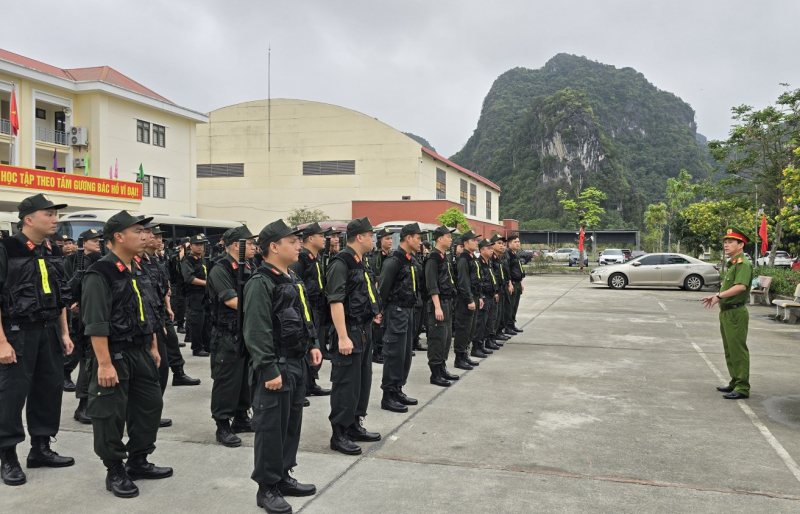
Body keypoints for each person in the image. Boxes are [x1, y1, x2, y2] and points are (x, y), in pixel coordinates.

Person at [81, 211, 172, 498]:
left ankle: (138, 460)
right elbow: (96, 323)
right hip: (115, 354)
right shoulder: (100, 272)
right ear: (118, 237)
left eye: (145, 232)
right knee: (109, 413)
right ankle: (114, 469)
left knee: (149, 407)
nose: (145, 236)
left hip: (142, 350)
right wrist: (104, 364)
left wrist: (154, 346)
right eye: (138, 231)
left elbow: (151, 311)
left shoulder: (139, 268)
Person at [243, 219, 321, 514]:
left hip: (296, 362)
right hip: (276, 365)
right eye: (292, 241)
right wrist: (268, 368)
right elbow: (256, 329)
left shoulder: (292, 278)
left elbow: (303, 315)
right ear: (273, 247)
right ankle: (267, 488)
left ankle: (284, 475)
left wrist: (313, 343)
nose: (298, 245)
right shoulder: (260, 282)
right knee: (270, 428)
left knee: (291, 424)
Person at [0, 194, 75, 487]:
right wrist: (2, 342)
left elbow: (61, 297)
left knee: (49, 388)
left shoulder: (53, 251)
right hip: (17, 331)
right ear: (28, 219)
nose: (55, 219)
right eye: (49, 214)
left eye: (56, 214)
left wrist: (65, 333)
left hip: (49, 330)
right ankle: (8, 455)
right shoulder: (7, 248)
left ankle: (40, 448)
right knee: (11, 394)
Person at [326, 217, 382, 455]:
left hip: (363, 328)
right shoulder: (342, 263)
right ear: (360, 237)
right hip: (348, 329)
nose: (373, 239)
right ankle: (339, 433)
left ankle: (354, 424)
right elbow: (335, 300)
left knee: (362, 380)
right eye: (371, 235)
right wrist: (342, 336)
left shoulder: (361, 261)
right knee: (346, 383)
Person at [207, 226, 256, 447]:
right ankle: (222, 425)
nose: (255, 246)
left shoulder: (248, 265)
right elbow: (231, 300)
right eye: (251, 242)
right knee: (227, 380)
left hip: (245, 331)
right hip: (227, 334)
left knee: (245, 379)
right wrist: (260, 307)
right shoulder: (221, 268)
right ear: (237, 244)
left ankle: (242, 418)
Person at [702, 227, 754, 400]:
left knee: (738, 350)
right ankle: (735, 381)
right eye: (725, 242)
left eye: (731, 242)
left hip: (736, 313)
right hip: (727, 312)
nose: (726, 245)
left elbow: (741, 287)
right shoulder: (733, 264)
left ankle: (742, 387)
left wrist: (718, 295)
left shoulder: (743, 264)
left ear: (741, 245)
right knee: (729, 349)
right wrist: (719, 299)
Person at [378, 222, 423, 413]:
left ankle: (398, 389)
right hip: (395, 312)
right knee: (394, 354)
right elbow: (383, 290)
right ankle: (388, 395)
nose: (420, 242)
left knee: (404, 355)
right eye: (419, 238)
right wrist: (379, 313)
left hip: (407, 311)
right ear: (408, 238)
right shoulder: (394, 261)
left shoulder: (410, 260)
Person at [65, 229, 104, 425]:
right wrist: (74, 301)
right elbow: (71, 286)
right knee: (87, 362)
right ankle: (83, 405)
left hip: (91, 314)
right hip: (84, 319)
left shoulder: (97, 260)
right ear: (84, 243)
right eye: (93, 240)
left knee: (92, 361)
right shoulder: (83, 263)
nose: (97, 242)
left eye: (99, 240)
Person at [289, 222, 331, 401]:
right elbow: (295, 286)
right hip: (307, 308)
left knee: (317, 345)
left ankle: (311, 382)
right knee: (307, 347)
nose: (325, 239)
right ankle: (304, 385)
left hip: (318, 307)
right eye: (321, 236)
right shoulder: (301, 260)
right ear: (311, 238)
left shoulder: (315, 258)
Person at [425, 225, 461, 387]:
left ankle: (442, 367)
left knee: (446, 338)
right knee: (437, 338)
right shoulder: (433, 258)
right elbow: (432, 284)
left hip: (447, 301)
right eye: (448, 236)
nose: (451, 239)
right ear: (439, 239)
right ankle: (435, 373)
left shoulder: (442, 256)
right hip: (438, 304)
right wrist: (437, 307)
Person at [453, 231, 484, 368]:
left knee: (470, 329)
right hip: (466, 299)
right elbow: (463, 282)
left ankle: (465, 355)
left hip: (475, 297)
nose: (476, 243)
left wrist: (480, 296)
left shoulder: (472, 257)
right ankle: (459, 358)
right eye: (474, 240)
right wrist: (470, 299)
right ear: (466, 243)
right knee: (463, 329)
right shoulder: (463, 259)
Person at [366, 228, 392, 364]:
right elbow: (376, 279)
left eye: (391, 239)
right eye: (387, 239)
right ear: (380, 240)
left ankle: (383, 349)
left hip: (387, 294)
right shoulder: (377, 257)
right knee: (378, 325)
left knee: (385, 324)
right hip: (379, 293)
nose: (390, 241)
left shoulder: (390, 255)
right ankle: (377, 351)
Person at [182, 234, 211, 357]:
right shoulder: (187, 260)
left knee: (206, 322)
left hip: (204, 294)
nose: (200, 247)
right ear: (191, 246)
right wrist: (207, 283)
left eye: (201, 244)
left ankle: (206, 346)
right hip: (195, 295)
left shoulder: (202, 259)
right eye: (197, 245)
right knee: (197, 322)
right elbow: (189, 278)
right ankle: (197, 348)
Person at [478, 239, 501, 352]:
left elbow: (493, 279)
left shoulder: (489, 263)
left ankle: (487, 341)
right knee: (482, 322)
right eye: (489, 248)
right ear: (482, 250)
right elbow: (479, 282)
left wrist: (495, 291)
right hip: (485, 296)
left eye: (492, 248)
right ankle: (479, 345)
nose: (492, 250)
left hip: (491, 295)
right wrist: (481, 295)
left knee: (489, 321)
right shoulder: (479, 263)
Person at [490, 234, 513, 342]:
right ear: (492, 245)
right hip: (495, 290)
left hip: (502, 288)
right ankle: (491, 336)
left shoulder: (500, 258)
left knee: (500, 313)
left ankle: (498, 332)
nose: (502, 246)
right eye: (499, 243)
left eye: (504, 244)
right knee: (494, 315)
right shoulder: (491, 258)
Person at [505, 235, 525, 333]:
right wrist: (509, 283)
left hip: (517, 282)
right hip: (512, 283)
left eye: (518, 241)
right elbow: (507, 270)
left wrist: (521, 282)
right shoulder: (507, 254)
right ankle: (508, 326)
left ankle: (512, 324)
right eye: (515, 242)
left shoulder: (516, 254)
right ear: (509, 243)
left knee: (515, 305)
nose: (517, 243)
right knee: (510, 305)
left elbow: (518, 269)